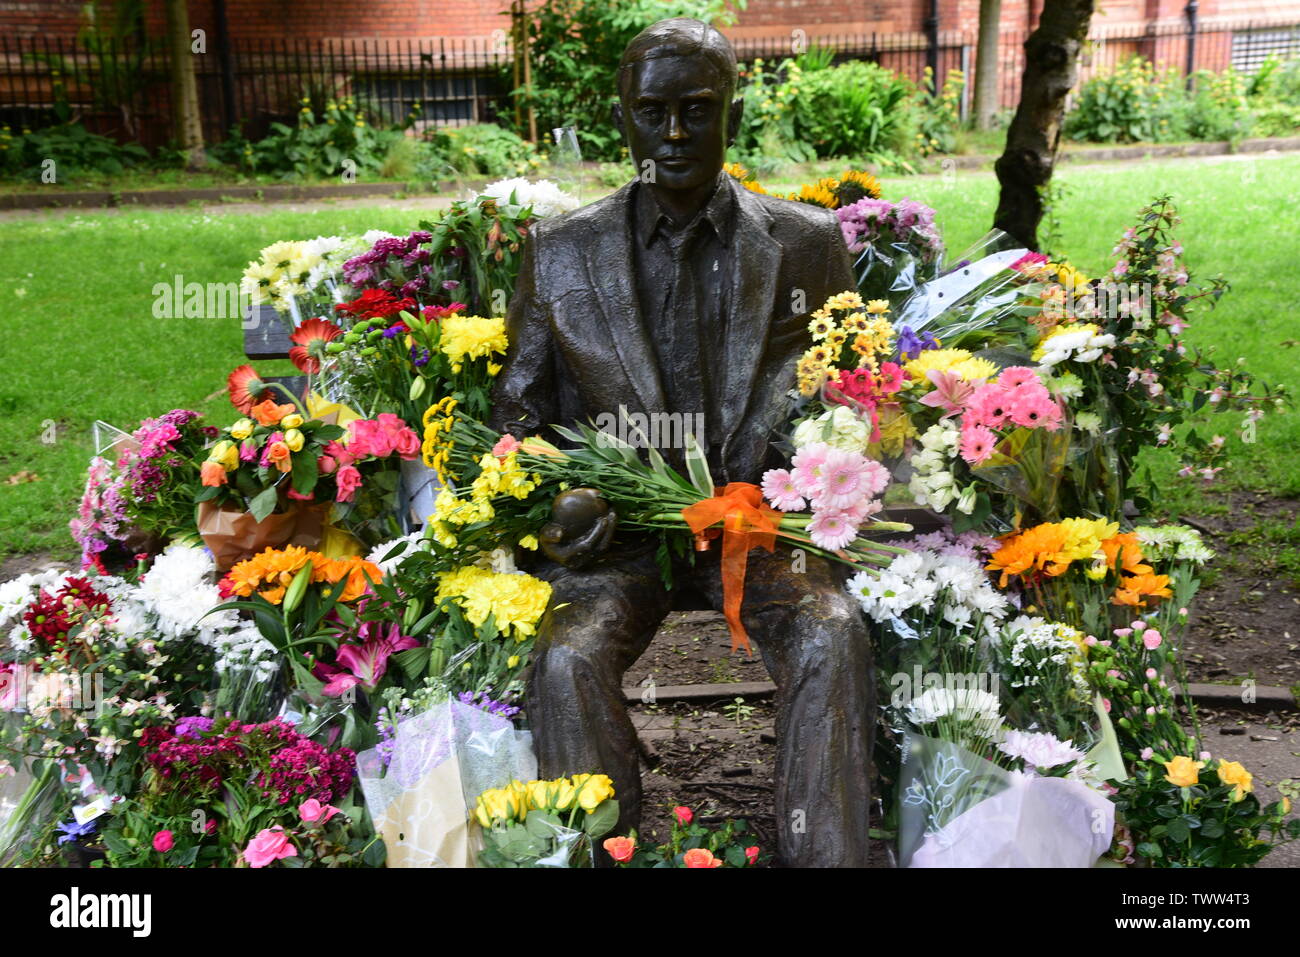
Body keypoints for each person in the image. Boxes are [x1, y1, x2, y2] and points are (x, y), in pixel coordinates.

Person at [490, 17, 876, 867]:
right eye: (652, 111)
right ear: (623, 116)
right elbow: (517, 420)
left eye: (696, 110)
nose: (673, 134)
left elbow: (854, 394)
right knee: (564, 659)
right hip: (622, 535)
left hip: (762, 527)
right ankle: (597, 854)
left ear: (731, 110)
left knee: (831, 630)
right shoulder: (558, 253)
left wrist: (822, 483)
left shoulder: (806, 245)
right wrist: (559, 502)